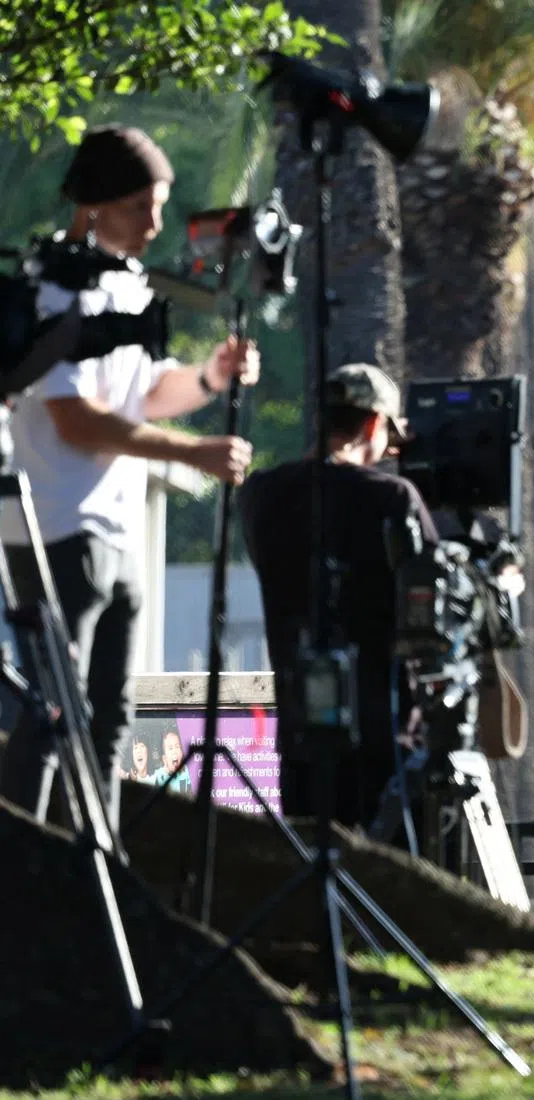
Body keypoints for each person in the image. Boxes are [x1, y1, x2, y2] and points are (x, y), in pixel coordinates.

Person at [0, 124, 258, 810]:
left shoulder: (133, 288)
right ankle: (24, 877)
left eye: (160, 204)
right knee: (51, 713)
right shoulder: (53, 290)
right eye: (140, 204)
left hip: (117, 532)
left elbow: (145, 393)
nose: (155, 222)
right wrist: (192, 454)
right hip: (55, 528)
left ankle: (99, 878)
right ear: (94, 205)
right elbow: (75, 419)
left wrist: (210, 377)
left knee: (111, 720)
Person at [240, 363, 439, 830]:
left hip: (299, 736)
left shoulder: (261, 494)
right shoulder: (394, 497)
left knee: (313, 870)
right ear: (373, 423)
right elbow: (435, 602)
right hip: (381, 739)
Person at [152, 729, 192, 795]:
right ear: (164, 758)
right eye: (170, 748)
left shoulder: (188, 774)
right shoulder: (158, 777)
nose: (174, 751)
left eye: (177, 747)